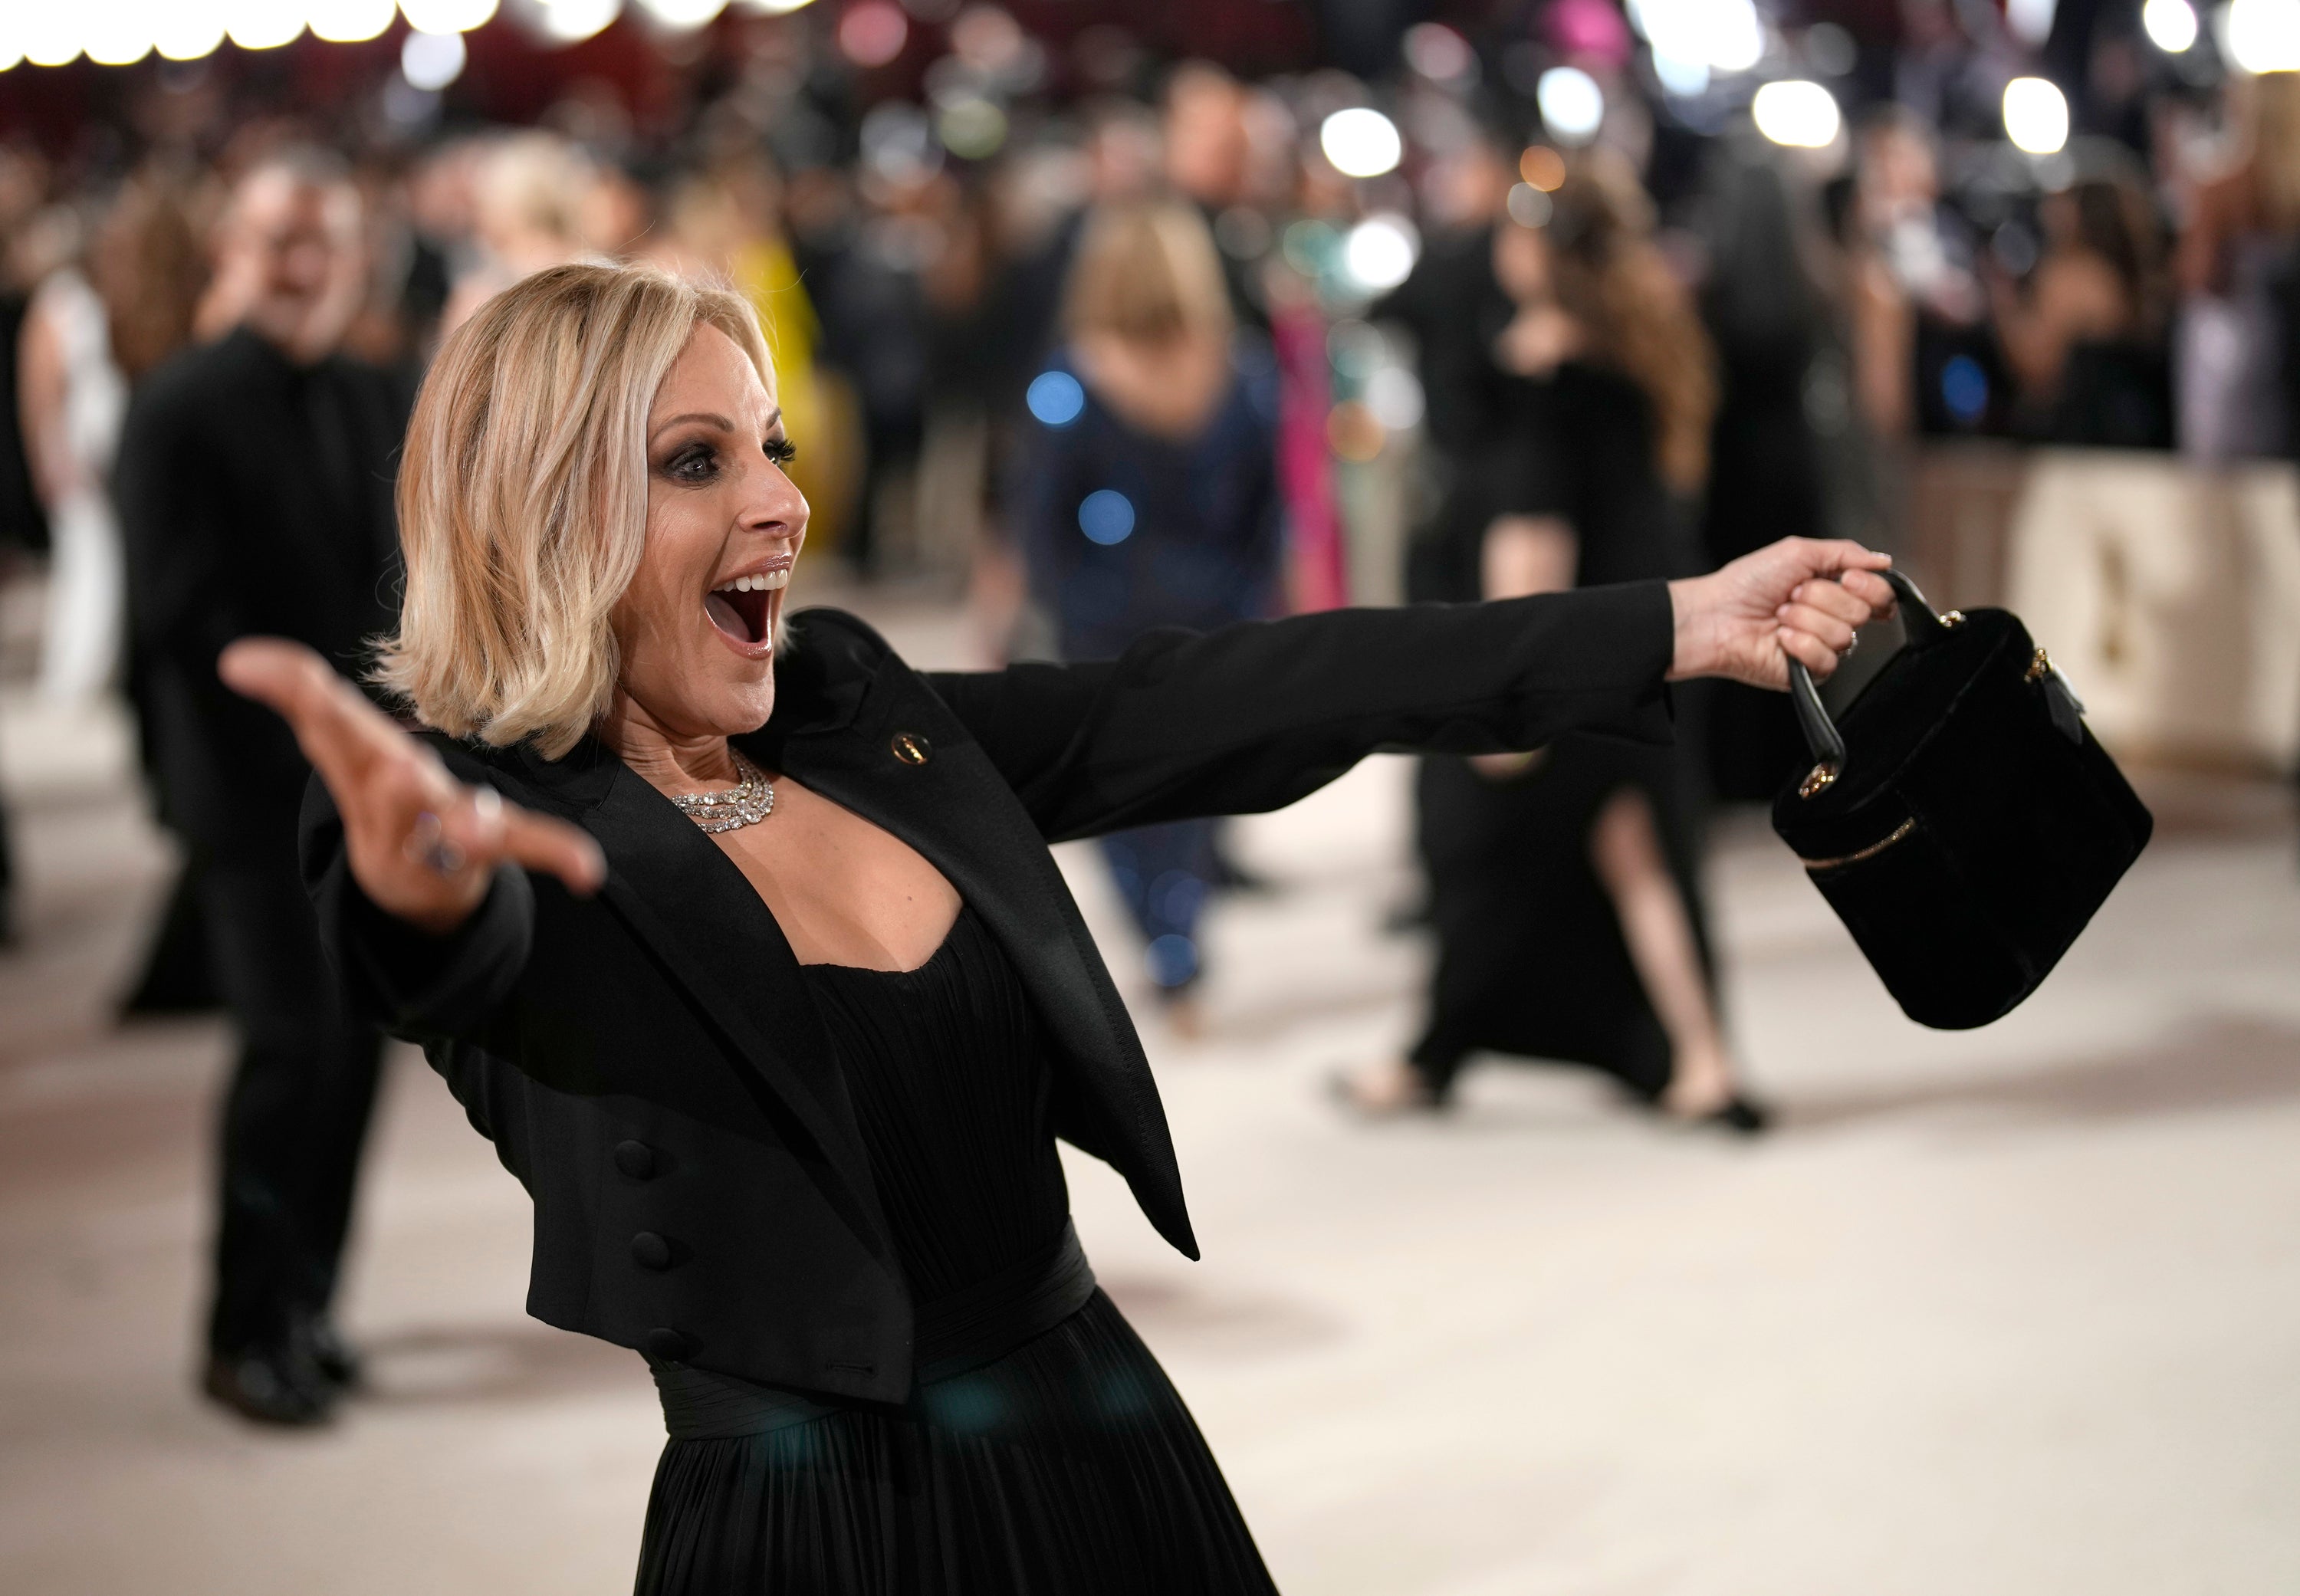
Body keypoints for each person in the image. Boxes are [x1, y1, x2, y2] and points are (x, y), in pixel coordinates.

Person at [222, 261, 1889, 1591]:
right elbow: (453, 954)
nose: (782, 503)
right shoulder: (498, 830)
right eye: (694, 462)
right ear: (540, 512)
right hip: (819, 1540)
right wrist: (422, 890)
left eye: (773, 444)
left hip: (1104, 1452)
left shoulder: (853, 712)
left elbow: (1219, 695)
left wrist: (1661, 623)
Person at [1339, 159, 1761, 1128]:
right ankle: (1696, 1061)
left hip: (1561, 661)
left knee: (1483, 854)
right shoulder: (1636, 356)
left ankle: (1443, 1055)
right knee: (1639, 854)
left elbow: (1531, 537)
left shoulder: (1540, 378)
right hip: (1641, 645)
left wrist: (1505, 696)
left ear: (1539, 253)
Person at [112, 152, 410, 1426]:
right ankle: (244, 1329)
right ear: (234, 248)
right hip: (249, 799)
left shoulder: (368, 386)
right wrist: (306, 735)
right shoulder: (178, 404)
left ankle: (309, 1300)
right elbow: (178, 620)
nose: (303, 266)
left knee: (360, 1054)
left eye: (325, 243)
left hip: (371, 791)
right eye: (281, 241)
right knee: (290, 1053)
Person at [1017, 201, 1282, 1029]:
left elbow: (1040, 521)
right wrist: (1251, 598)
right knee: (1193, 787)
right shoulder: (1241, 373)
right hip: (1212, 611)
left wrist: (1055, 604)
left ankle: (1168, 947)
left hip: (1105, 620)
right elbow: (1270, 514)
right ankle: (1183, 942)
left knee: (1120, 794)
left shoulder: (1071, 381)